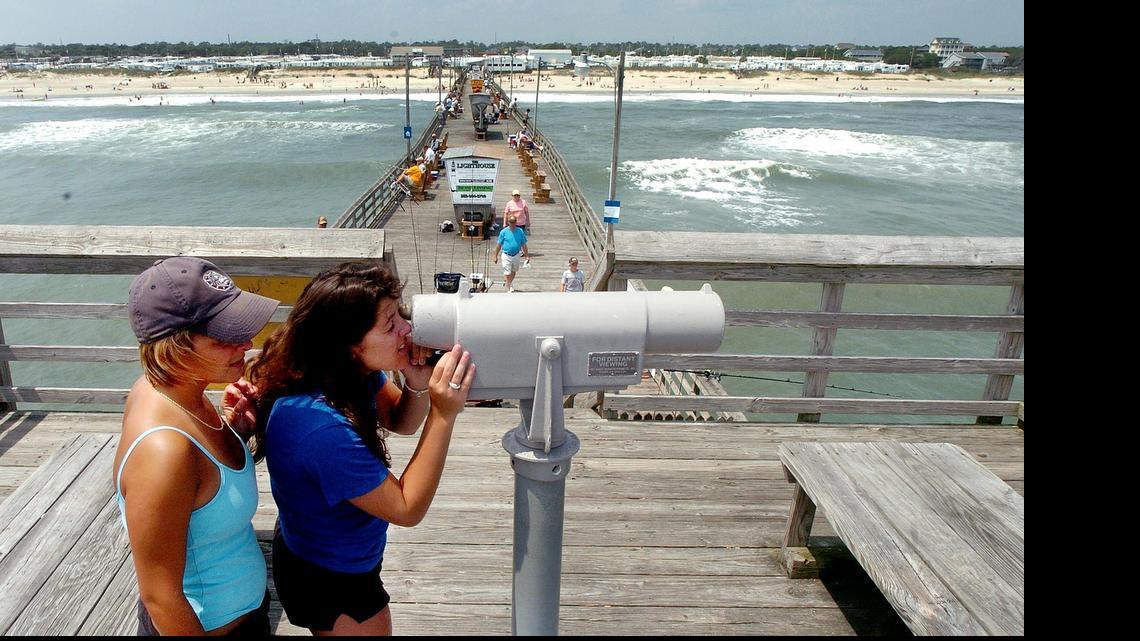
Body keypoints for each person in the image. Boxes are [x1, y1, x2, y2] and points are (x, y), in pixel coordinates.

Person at [249, 261, 474, 636]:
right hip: (330, 576)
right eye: (389, 324)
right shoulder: (318, 426)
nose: (406, 327)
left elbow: (401, 422)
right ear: (348, 345)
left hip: (334, 551)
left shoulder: (347, 375)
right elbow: (406, 507)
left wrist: (416, 385)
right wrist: (444, 413)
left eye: (400, 313)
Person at [114, 257, 280, 635]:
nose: (248, 343)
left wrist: (233, 430)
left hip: (244, 609)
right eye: (226, 337)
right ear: (175, 347)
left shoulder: (165, 390)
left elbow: (200, 487)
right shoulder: (163, 452)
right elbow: (160, 596)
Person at [493, 214, 529, 293]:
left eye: (514, 221)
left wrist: (527, 256)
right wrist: (495, 256)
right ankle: (508, 286)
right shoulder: (503, 232)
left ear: (516, 222)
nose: (512, 223)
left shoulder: (520, 231)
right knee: (507, 271)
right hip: (506, 255)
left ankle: (509, 282)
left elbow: (524, 244)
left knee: (514, 270)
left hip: (516, 254)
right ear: (508, 222)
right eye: (511, 222)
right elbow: (499, 245)